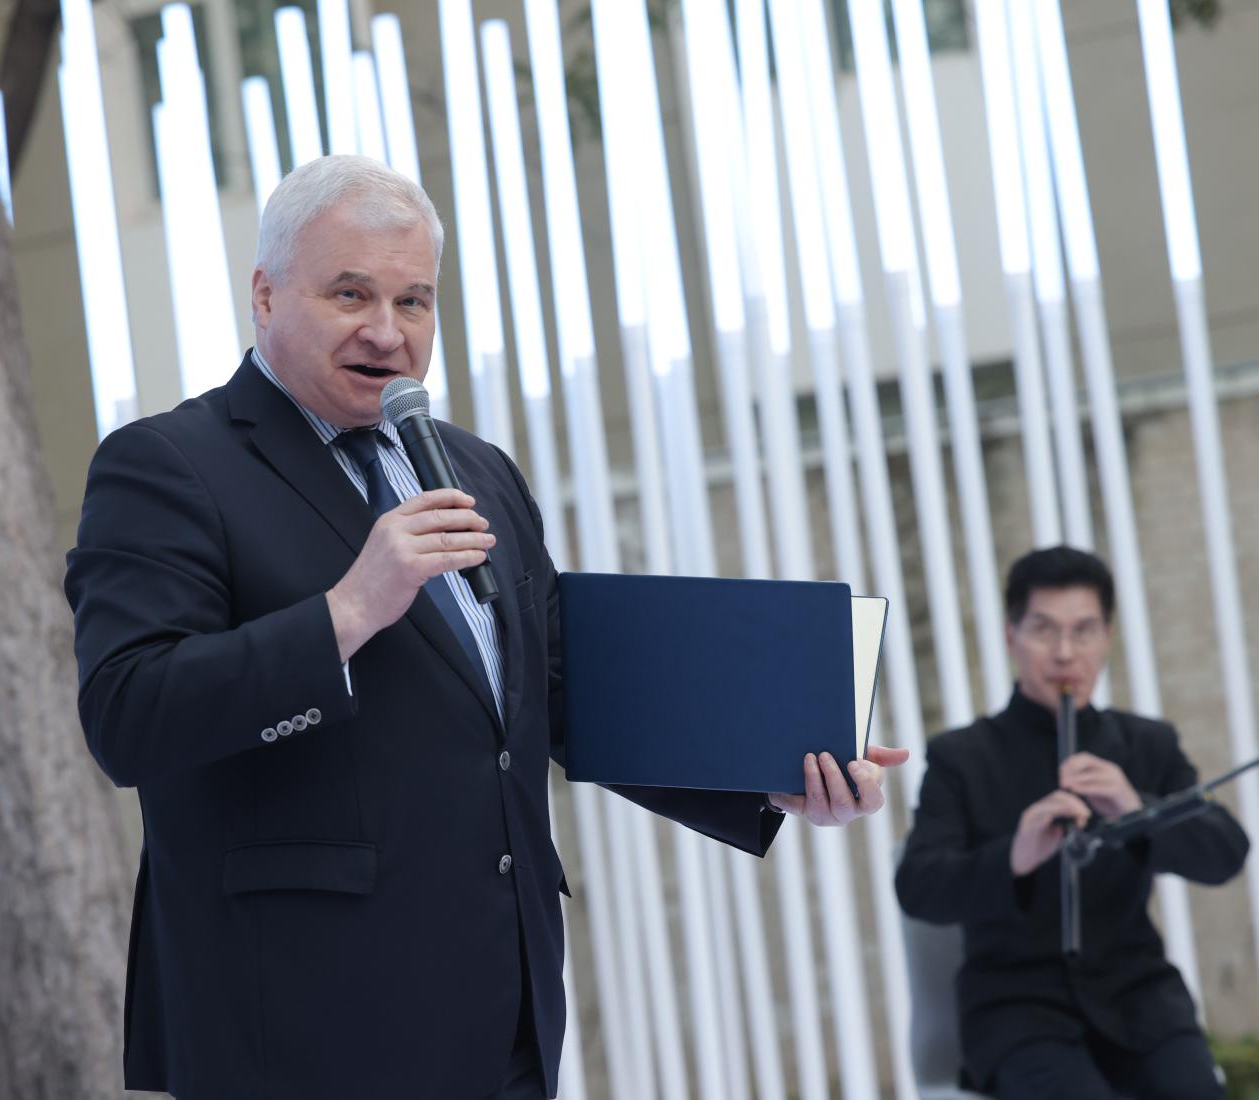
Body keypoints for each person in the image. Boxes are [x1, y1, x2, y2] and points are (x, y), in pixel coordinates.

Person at [65, 154, 904, 1100]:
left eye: (414, 302)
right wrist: (347, 612)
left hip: (497, 1010)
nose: (387, 333)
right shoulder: (170, 465)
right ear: (264, 295)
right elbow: (129, 716)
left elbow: (561, 693)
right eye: (351, 294)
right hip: (294, 1020)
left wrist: (771, 773)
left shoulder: (475, 470)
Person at [895, 546, 1248, 1100]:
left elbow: (1226, 852)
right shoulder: (961, 757)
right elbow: (919, 888)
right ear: (1012, 637)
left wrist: (1137, 808)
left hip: (1140, 1002)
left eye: (1084, 631)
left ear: (1107, 637)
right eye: (1043, 630)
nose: (1064, 653)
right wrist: (1015, 856)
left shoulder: (1147, 745)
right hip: (1016, 1010)